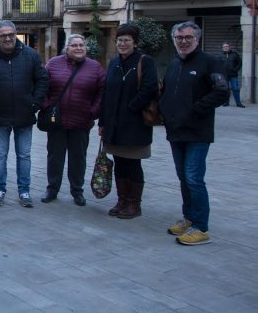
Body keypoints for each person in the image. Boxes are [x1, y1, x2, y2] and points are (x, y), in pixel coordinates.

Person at [159, 21, 228, 245]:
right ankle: (188, 218)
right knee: (183, 178)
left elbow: (221, 92)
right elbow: (167, 92)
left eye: (188, 37)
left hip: (198, 132)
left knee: (194, 178)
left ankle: (201, 227)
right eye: (179, 38)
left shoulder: (211, 62)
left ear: (197, 39)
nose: (183, 41)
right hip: (176, 132)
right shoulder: (174, 64)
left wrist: (194, 110)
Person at [0, 20, 48, 208]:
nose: (7, 38)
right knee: (0, 156)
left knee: (24, 155)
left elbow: (42, 80)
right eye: (3, 35)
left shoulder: (30, 55)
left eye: (10, 34)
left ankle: (24, 191)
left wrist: (35, 103)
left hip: (25, 115)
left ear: (15, 34)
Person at [99, 24, 160, 219]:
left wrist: (131, 107)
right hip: (114, 124)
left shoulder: (145, 61)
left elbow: (150, 88)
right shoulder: (114, 63)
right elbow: (106, 93)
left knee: (133, 164)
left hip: (134, 123)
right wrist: (102, 121)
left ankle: (134, 204)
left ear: (135, 42)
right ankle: (122, 200)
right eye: (120, 40)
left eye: (127, 40)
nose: (123, 44)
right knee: (118, 162)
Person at [41, 34, 105, 206]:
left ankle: (77, 191)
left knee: (78, 158)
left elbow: (102, 92)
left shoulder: (95, 67)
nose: (78, 48)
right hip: (57, 121)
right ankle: (52, 189)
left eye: (81, 45)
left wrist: (93, 112)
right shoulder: (53, 63)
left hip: (81, 121)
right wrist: (47, 105)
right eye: (74, 45)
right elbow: (42, 85)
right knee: (55, 157)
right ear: (67, 48)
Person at [221, 42, 245, 107]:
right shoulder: (220, 55)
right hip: (224, 75)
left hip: (233, 75)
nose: (225, 48)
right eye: (224, 47)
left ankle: (238, 103)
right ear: (222, 48)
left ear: (229, 47)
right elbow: (218, 65)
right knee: (226, 89)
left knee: (235, 89)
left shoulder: (235, 54)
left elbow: (239, 63)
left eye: (227, 46)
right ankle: (226, 102)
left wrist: (235, 69)